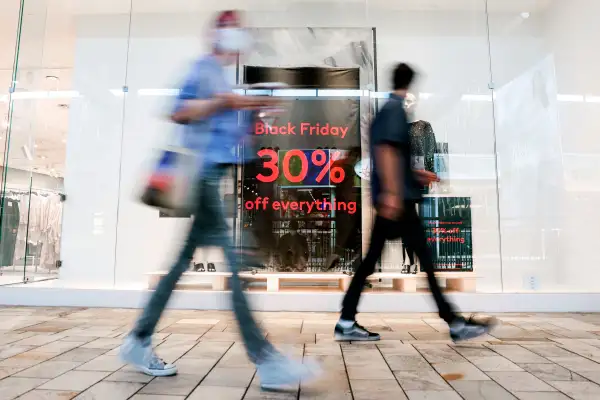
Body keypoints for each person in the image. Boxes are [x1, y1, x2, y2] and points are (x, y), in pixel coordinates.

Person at [120, 10, 321, 390]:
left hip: (217, 176)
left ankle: (138, 340)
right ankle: (267, 360)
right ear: (218, 34)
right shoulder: (202, 68)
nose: (237, 36)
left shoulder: (223, 77)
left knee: (180, 265)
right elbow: (179, 111)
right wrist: (225, 102)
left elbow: (232, 133)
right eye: (232, 29)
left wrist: (255, 109)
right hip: (202, 177)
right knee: (234, 262)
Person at [334, 63, 494, 342]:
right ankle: (453, 323)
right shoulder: (394, 110)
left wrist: (415, 175)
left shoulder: (388, 111)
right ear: (408, 84)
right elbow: (386, 152)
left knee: (377, 261)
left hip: (395, 200)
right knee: (421, 262)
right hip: (398, 204)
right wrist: (394, 195)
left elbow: (392, 155)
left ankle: (347, 320)